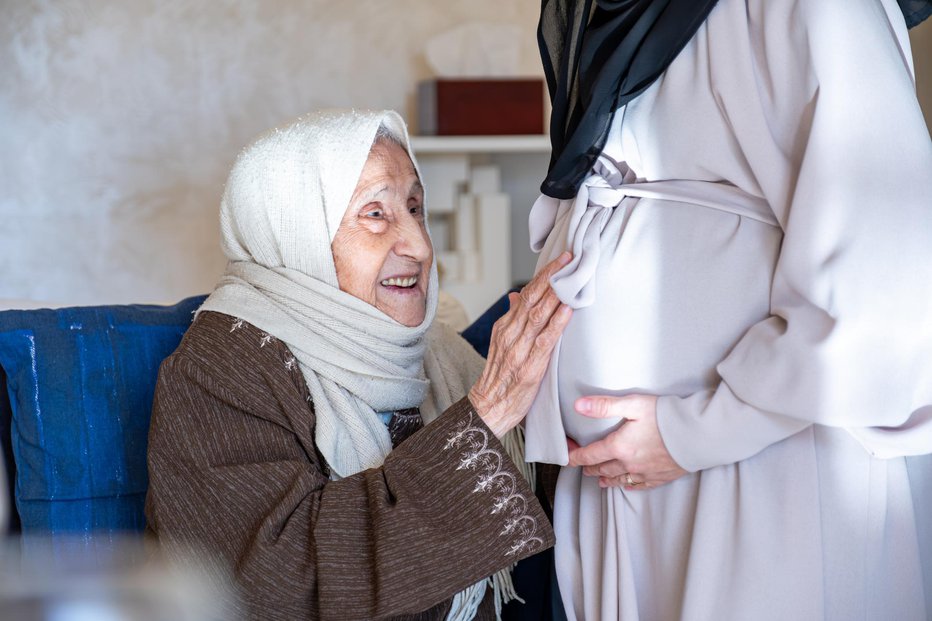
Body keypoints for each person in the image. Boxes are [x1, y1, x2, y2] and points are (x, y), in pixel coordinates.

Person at [523, 0, 932, 619]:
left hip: (766, 466)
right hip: (627, 485)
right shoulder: (615, 20)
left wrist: (696, 433)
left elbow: (883, 268)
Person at [145, 109, 574, 621]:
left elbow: (540, 487)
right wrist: (484, 417)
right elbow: (274, 586)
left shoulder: (435, 354)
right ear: (297, 232)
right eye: (376, 214)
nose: (417, 245)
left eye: (415, 208)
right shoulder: (218, 371)